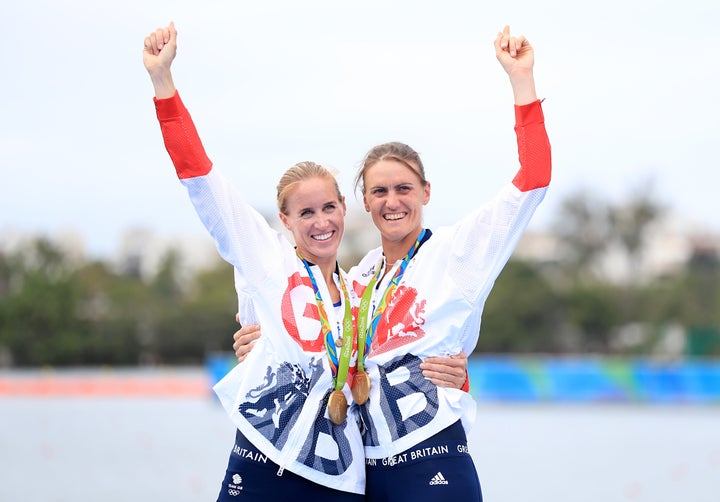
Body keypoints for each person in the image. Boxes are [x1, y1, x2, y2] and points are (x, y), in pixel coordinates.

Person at [142, 21, 470, 501]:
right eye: (306, 213)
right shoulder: (267, 258)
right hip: (262, 463)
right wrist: (162, 83)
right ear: (285, 219)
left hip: (341, 477)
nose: (320, 222)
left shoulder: (360, 287)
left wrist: (459, 370)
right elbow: (200, 179)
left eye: (329, 208)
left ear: (344, 208)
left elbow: (412, 345)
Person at [232, 25, 551, 501]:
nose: (392, 201)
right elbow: (315, 339)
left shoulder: (457, 251)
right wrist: (262, 346)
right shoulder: (358, 277)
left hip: (433, 460)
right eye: (379, 191)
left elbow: (534, 180)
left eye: (404, 188)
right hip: (366, 470)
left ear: (425, 192)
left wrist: (521, 83)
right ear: (363, 200)